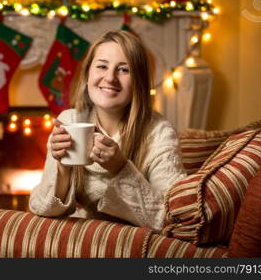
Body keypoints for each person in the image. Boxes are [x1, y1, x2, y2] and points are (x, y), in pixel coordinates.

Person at [29, 30, 186, 232]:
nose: (110, 78)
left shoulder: (159, 132)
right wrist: (63, 168)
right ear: (87, 75)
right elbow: (42, 208)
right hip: (81, 239)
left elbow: (172, 219)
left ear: (138, 82)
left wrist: (121, 168)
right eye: (102, 66)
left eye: (124, 70)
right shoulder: (69, 120)